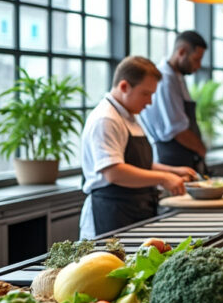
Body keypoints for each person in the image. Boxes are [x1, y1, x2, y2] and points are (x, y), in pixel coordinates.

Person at [79, 56, 199, 239]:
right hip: (111, 213)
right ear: (124, 86)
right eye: (146, 94)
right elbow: (114, 172)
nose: (150, 102)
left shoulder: (129, 116)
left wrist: (173, 171)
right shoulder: (106, 119)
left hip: (133, 210)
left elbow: (138, 163)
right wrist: (164, 178)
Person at [139, 31, 208, 173]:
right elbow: (177, 130)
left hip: (184, 158)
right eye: (196, 59)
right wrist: (201, 149)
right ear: (181, 52)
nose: (199, 65)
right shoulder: (165, 79)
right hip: (171, 159)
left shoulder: (178, 77)